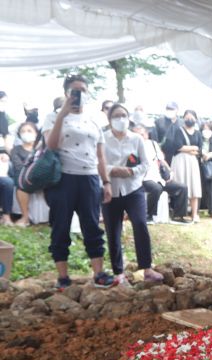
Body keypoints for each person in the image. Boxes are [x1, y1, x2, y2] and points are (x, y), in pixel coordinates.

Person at [42, 74, 115, 290]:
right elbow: (51, 145)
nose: (79, 94)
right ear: (66, 93)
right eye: (75, 90)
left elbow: (100, 156)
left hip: (90, 179)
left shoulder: (94, 120)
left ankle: (99, 273)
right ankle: (63, 277)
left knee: (92, 226)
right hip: (62, 179)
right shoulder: (53, 116)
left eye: (83, 90)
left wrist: (106, 182)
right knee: (60, 226)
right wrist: (62, 114)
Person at [102, 104, 163, 285]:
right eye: (117, 116)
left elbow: (145, 163)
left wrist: (132, 172)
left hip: (133, 188)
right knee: (113, 230)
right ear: (109, 119)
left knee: (140, 223)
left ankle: (147, 268)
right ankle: (118, 271)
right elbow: (97, 163)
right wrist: (113, 170)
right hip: (110, 190)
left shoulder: (136, 139)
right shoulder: (103, 139)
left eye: (124, 115)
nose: (121, 119)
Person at [132, 125, 190, 224]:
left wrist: (170, 171)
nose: (141, 137)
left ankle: (178, 217)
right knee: (156, 188)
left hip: (159, 177)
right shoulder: (132, 147)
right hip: (143, 179)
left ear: (146, 134)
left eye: (142, 134)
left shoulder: (153, 144)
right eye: (138, 135)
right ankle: (148, 216)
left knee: (182, 187)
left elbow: (162, 160)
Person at [162, 109, 203, 222]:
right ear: (183, 118)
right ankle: (179, 213)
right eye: (187, 116)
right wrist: (193, 148)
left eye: (192, 117)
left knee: (194, 186)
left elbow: (200, 149)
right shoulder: (178, 131)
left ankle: (195, 214)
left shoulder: (198, 133)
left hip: (193, 163)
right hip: (180, 161)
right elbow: (178, 146)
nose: (189, 119)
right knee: (180, 185)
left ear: (195, 118)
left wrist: (190, 149)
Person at [10, 122, 39, 227]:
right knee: (21, 186)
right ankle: (25, 217)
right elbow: (18, 166)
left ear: (36, 133)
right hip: (24, 177)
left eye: (29, 131)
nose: (26, 133)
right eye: (23, 131)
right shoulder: (16, 150)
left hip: (41, 177)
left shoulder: (41, 149)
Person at [200, 121, 212, 218]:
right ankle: (197, 209)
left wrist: (210, 154)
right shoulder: (198, 141)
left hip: (211, 168)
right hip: (199, 166)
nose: (206, 131)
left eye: (209, 129)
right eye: (204, 129)